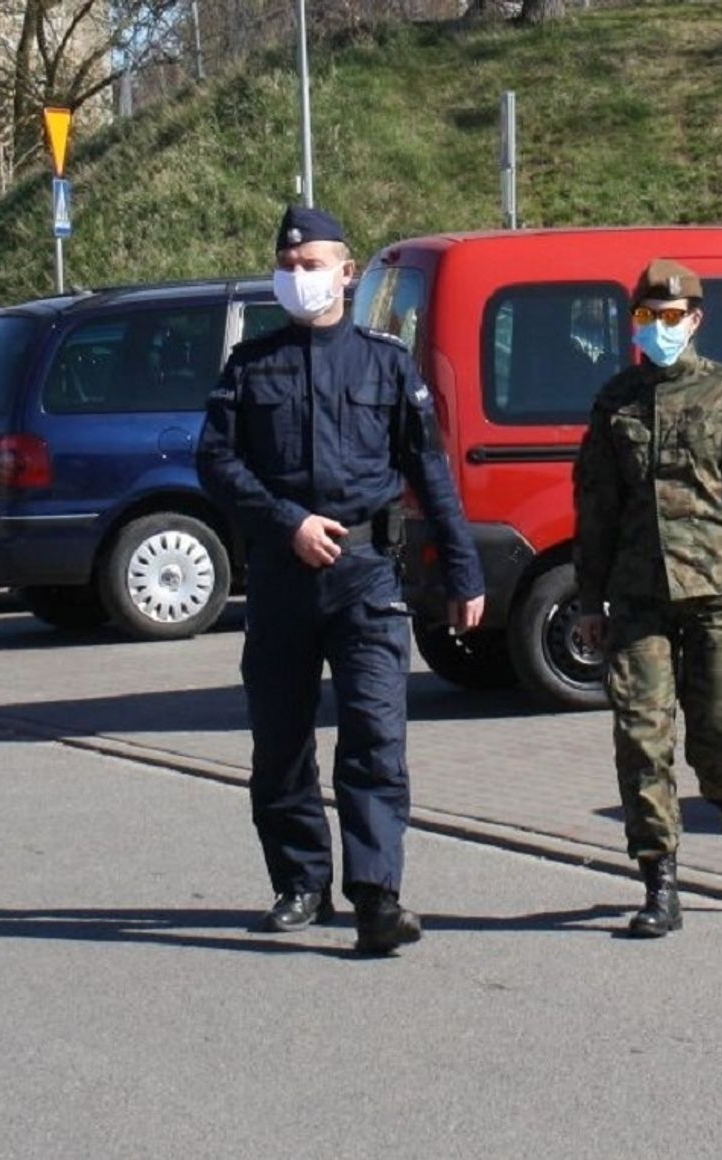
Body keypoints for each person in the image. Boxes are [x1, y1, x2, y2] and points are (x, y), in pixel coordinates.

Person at [197, 205, 485, 955]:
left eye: (314, 264)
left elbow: (429, 471)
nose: (300, 277)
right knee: (281, 740)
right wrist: (287, 519)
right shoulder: (250, 367)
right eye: (288, 267)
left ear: (348, 273)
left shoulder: (387, 365)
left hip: (366, 578)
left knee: (374, 739)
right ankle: (299, 882)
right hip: (284, 578)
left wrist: (463, 568)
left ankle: (376, 897)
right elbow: (217, 463)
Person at [573, 258, 722, 939]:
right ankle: (658, 878)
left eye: (671, 318)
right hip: (639, 595)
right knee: (642, 737)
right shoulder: (616, 401)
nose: (659, 329)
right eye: (647, 318)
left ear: (695, 321)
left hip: (715, 592)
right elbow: (596, 507)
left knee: (720, 729)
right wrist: (589, 599)